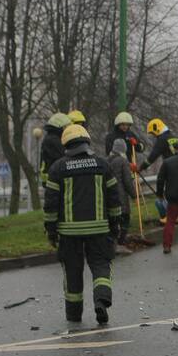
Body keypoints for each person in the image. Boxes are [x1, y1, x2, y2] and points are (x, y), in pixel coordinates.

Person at [43, 124, 122, 325]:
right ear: (87, 142)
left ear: (66, 144)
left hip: (69, 233)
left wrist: (51, 232)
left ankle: (74, 315)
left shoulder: (57, 168)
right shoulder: (102, 165)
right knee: (101, 265)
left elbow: (51, 205)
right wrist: (115, 225)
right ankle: (101, 300)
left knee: (72, 272)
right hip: (99, 229)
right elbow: (114, 198)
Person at [106, 139, 135, 244]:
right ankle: (121, 241)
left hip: (109, 194)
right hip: (120, 194)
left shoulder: (106, 160)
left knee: (113, 219)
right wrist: (134, 194)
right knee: (125, 217)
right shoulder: (123, 161)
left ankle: (112, 241)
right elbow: (127, 181)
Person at [40, 112, 71, 185]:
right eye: (65, 126)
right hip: (54, 179)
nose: (67, 129)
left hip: (51, 177)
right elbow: (65, 156)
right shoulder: (53, 141)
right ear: (59, 126)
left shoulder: (50, 138)